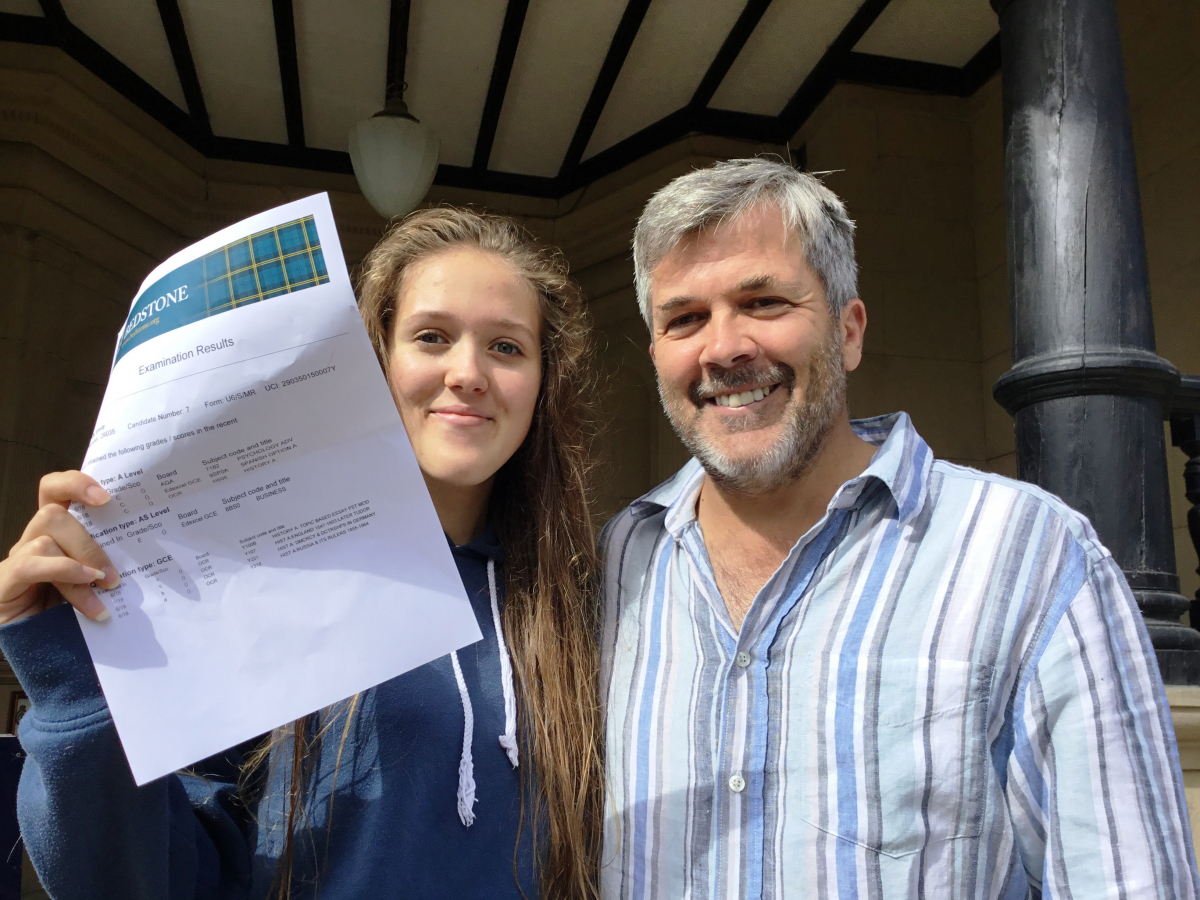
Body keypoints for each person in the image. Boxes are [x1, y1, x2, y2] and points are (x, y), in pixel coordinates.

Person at [599, 158, 1199, 898]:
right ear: (656, 354)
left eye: (763, 302)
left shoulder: (1030, 556)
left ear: (849, 331)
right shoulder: (621, 559)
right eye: (685, 318)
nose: (723, 348)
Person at [0, 207, 604, 899]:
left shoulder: (586, 599)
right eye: (431, 337)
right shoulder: (256, 580)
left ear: (544, 380)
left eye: (506, 347)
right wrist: (74, 683)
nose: (467, 372)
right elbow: (142, 882)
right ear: (376, 360)